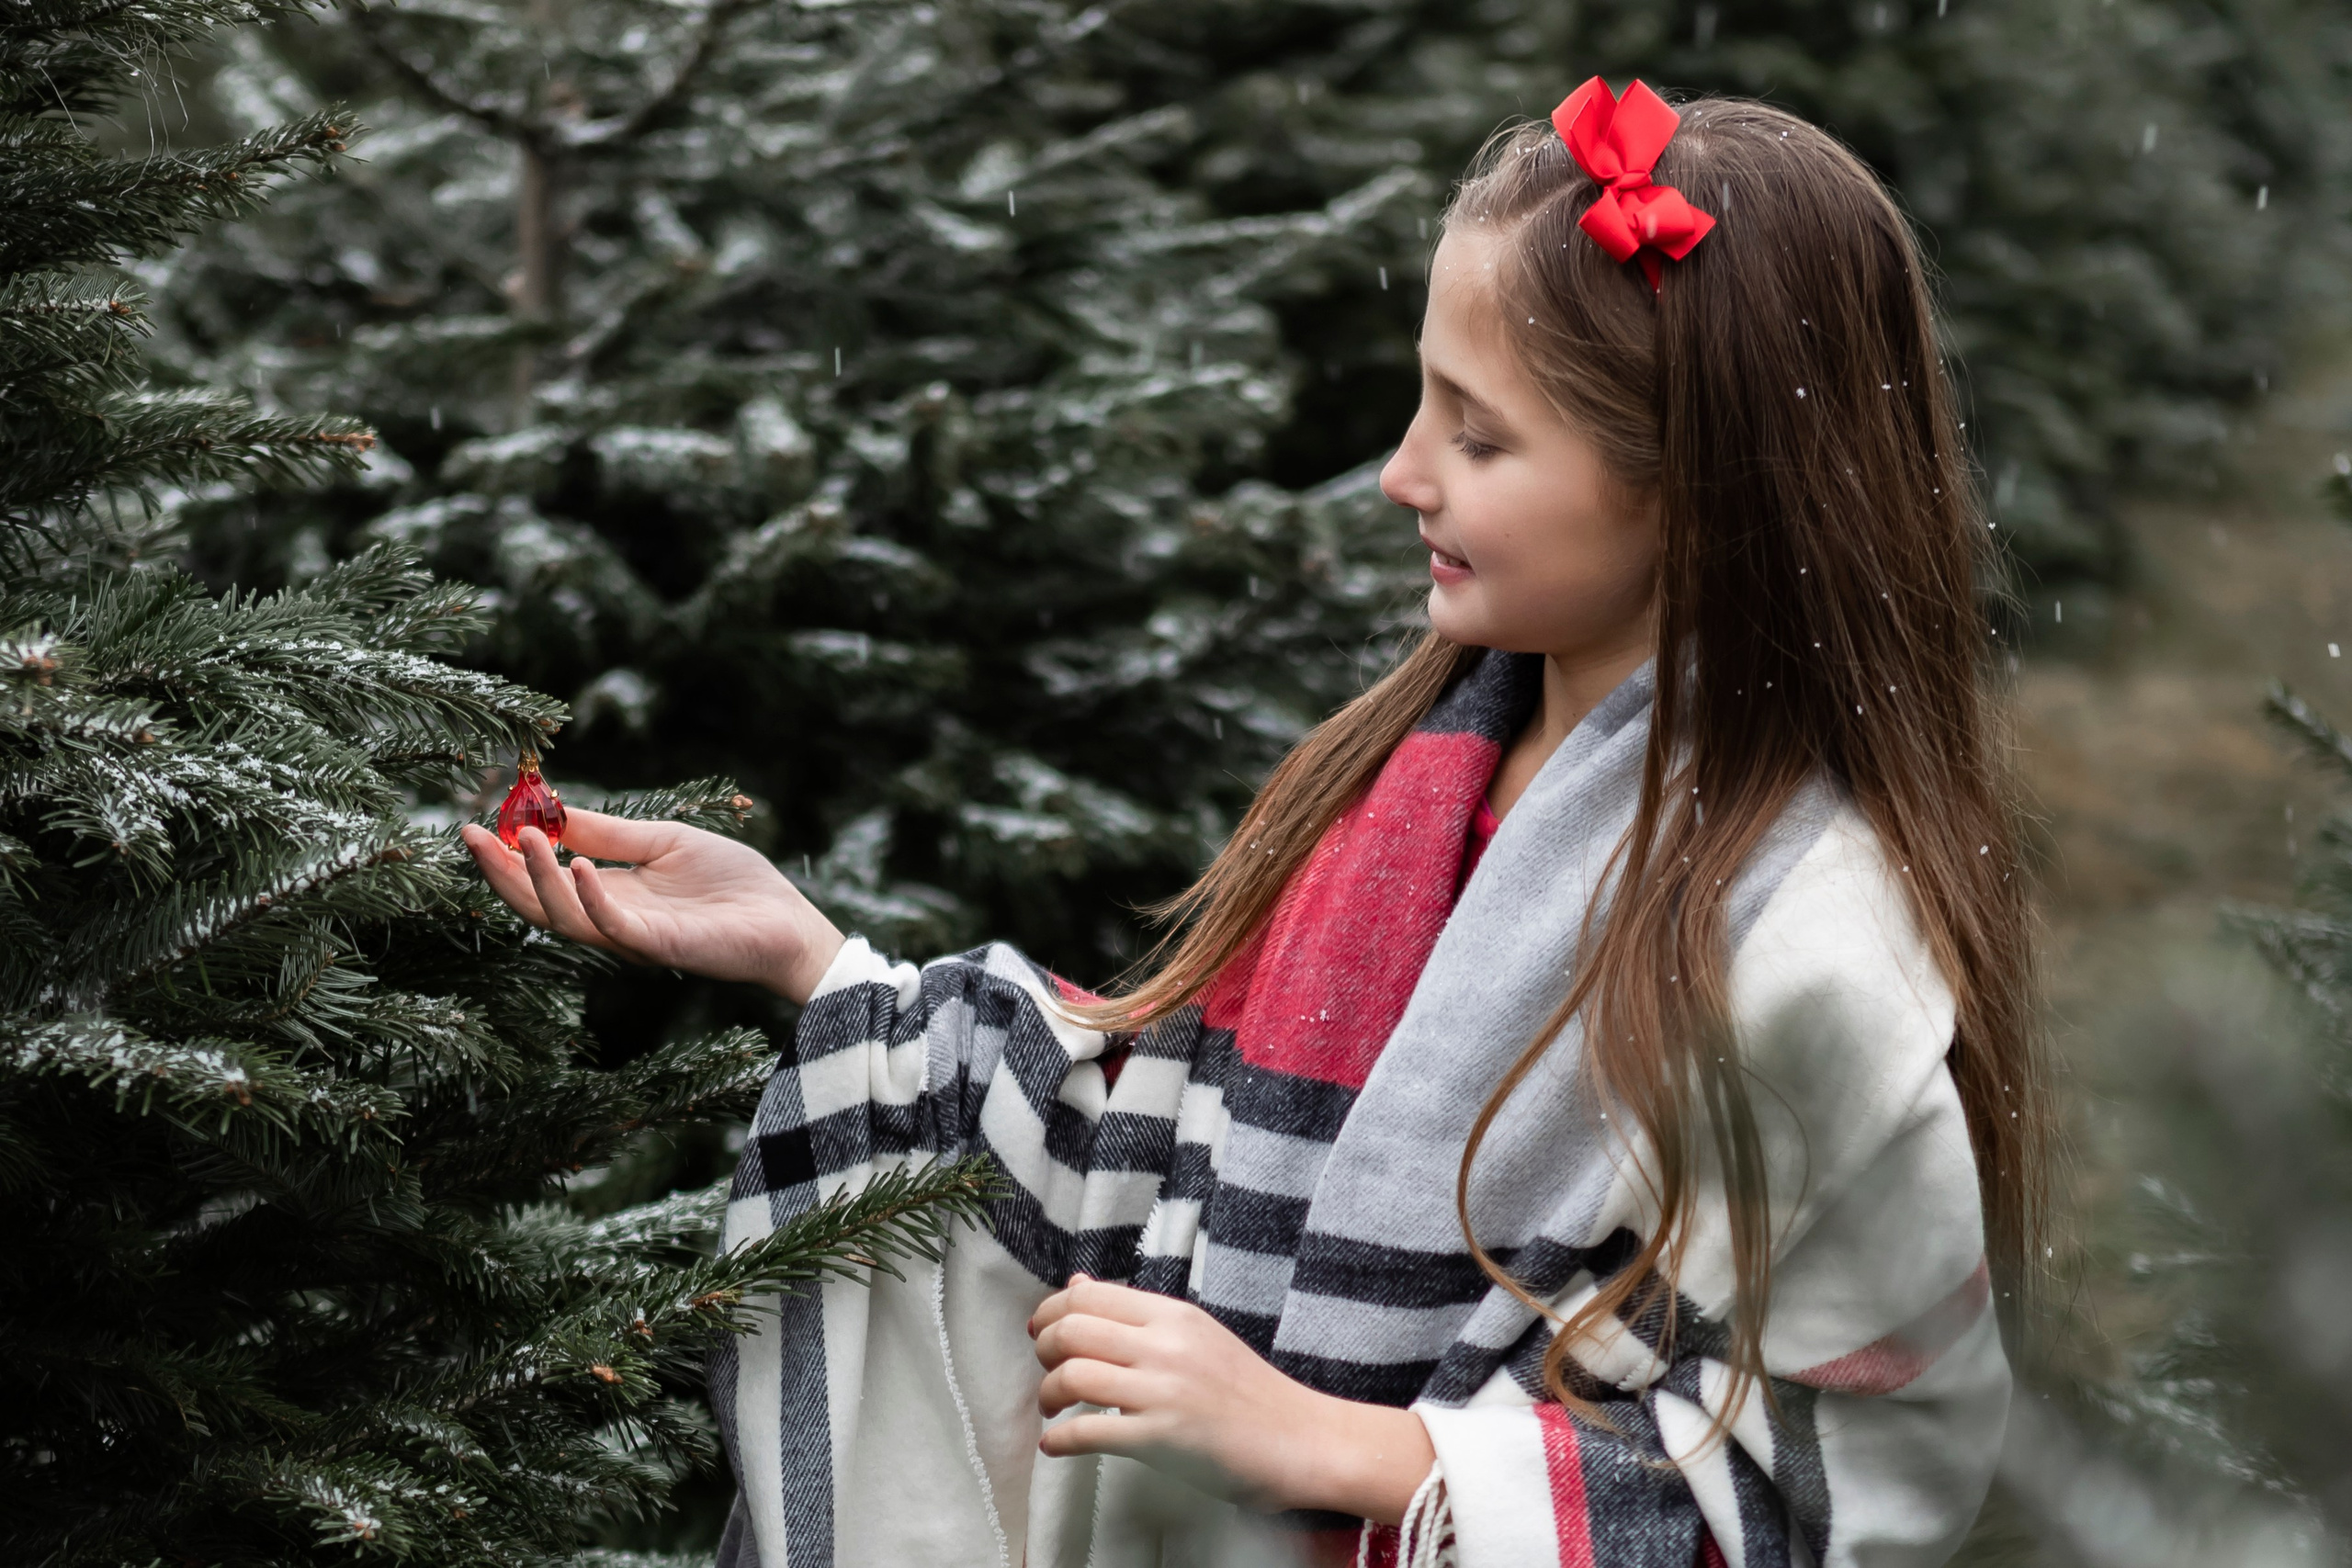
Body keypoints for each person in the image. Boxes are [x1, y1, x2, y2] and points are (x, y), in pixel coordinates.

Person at [466, 78, 2043, 1568]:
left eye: (1479, 437)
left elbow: (1835, 1479)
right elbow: (1169, 1153)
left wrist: (1345, 1450)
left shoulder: (1807, 944)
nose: (1398, 473)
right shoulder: (1409, 780)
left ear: (1700, 486)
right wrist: (822, 968)